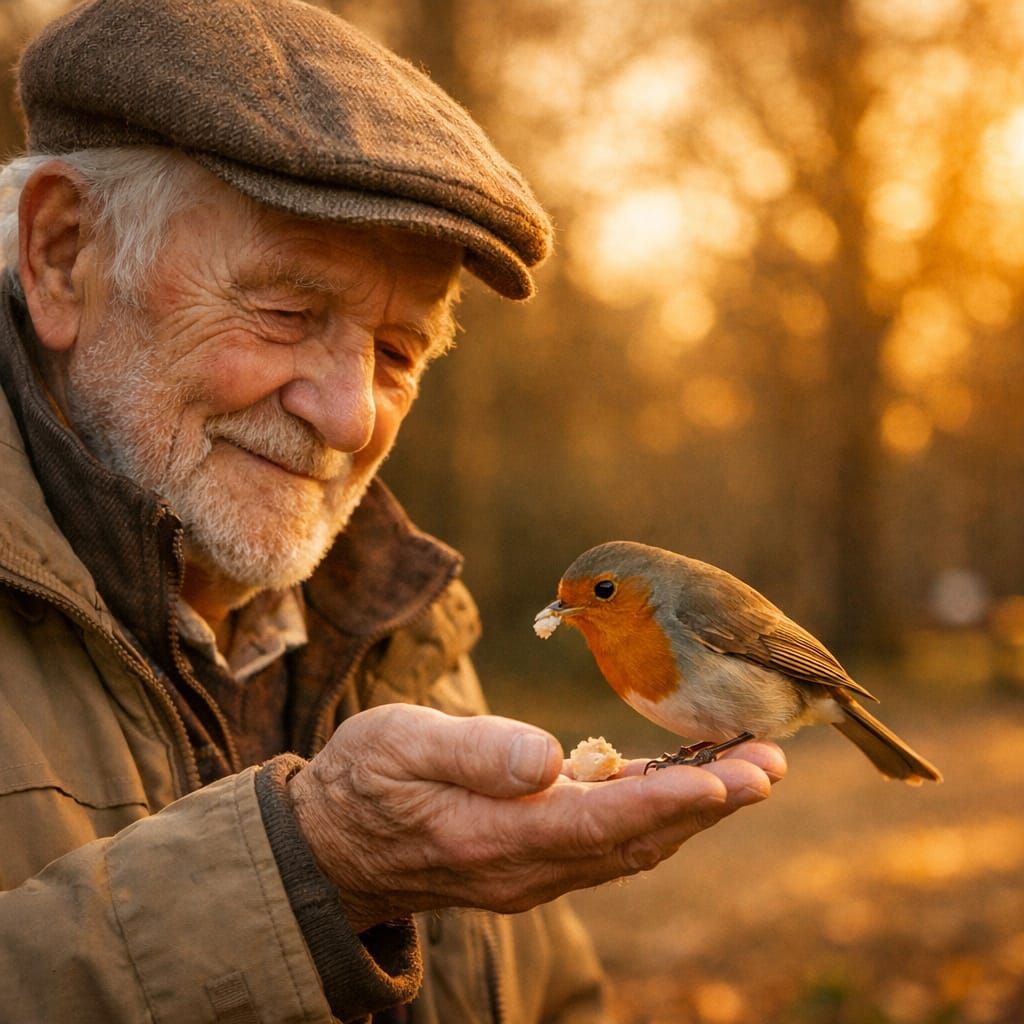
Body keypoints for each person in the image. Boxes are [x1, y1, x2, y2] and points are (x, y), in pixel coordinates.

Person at [0, 1, 786, 1021]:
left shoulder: (407, 629)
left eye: (398, 352)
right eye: (286, 312)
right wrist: (313, 872)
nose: (350, 416)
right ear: (63, 254)